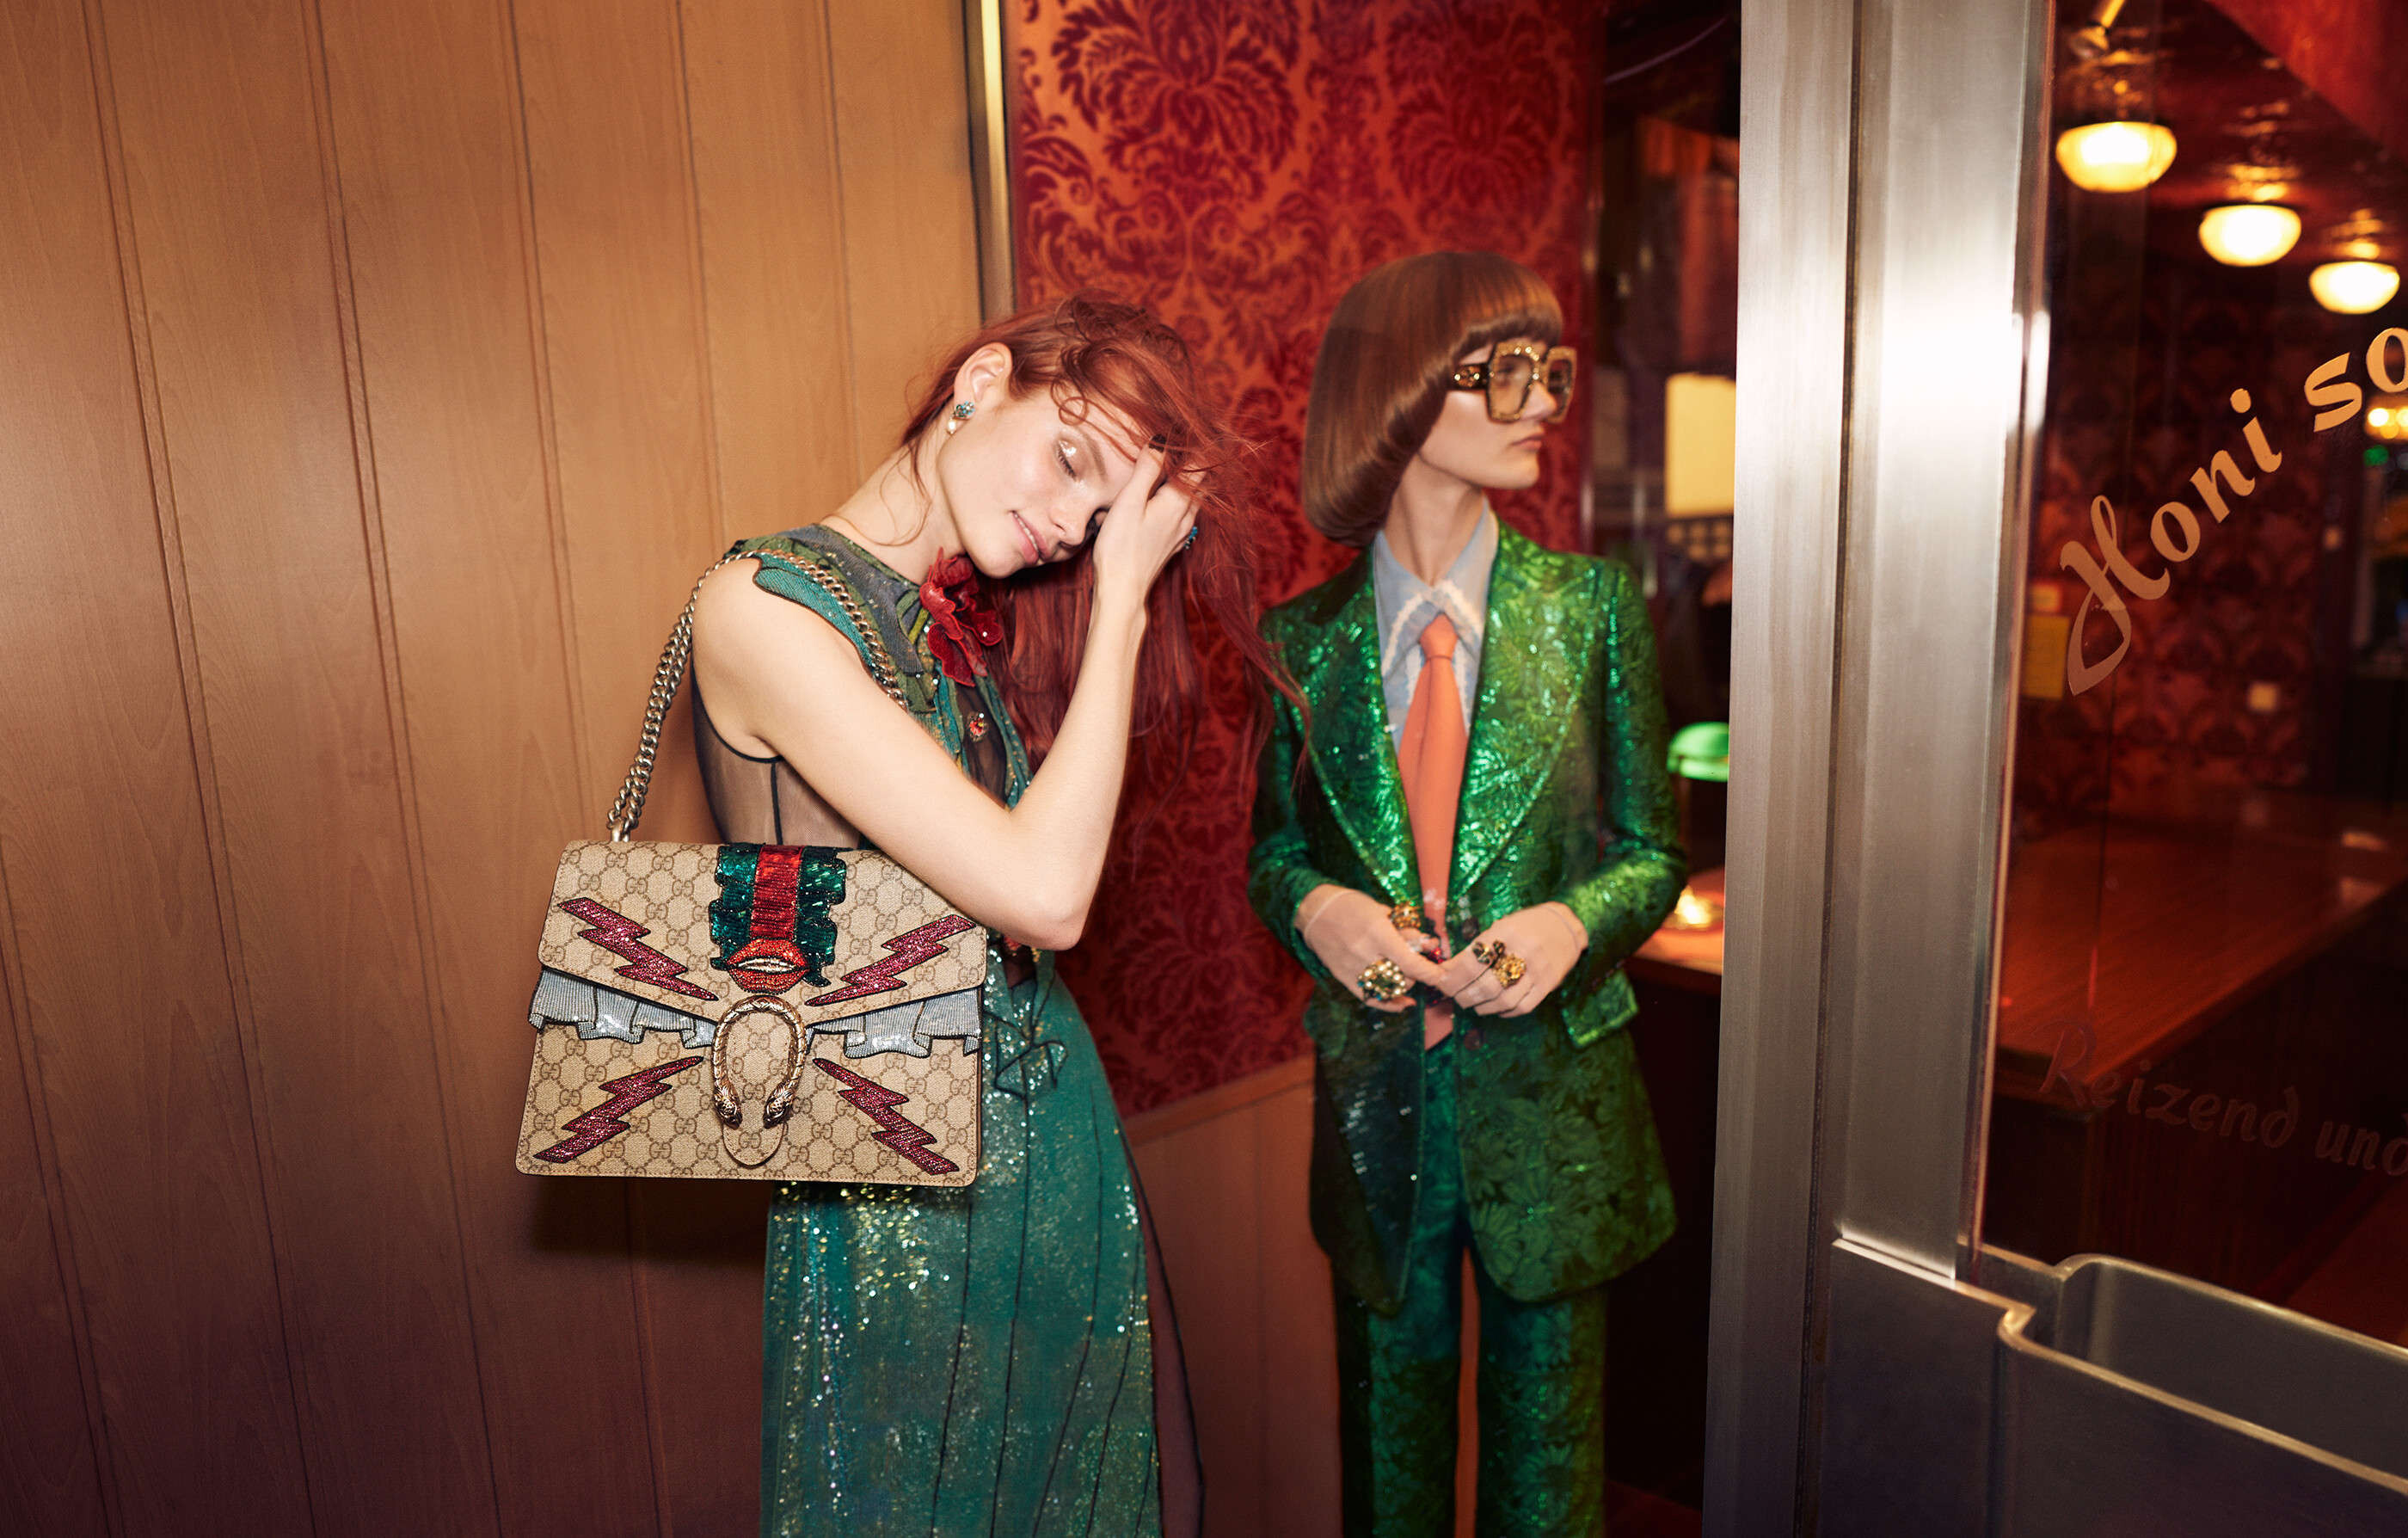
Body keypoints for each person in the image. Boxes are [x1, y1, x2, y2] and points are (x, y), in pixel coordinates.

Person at [691, 293, 1283, 1536]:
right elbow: (1046, 894)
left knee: (1100, 1494)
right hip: (895, 1178)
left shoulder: (952, 624)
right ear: (978, 384)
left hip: (1055, 1131)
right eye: (1070, 462)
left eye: (1105, 520)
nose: (1072, 528)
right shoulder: (763, 608)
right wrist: (1121, 602)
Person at [1246, 252, 1685, 1536]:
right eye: (1506, 372)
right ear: (1399, 389)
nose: (1543, 401)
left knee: (1550, 1489)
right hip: (1378, 1106)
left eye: (1553, 372)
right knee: (1387, 1477)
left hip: (1556, 1115)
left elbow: (1653, 851)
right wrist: (1318, 911)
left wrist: (1572, 923)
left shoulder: (1593, 610)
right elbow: (1274, 855)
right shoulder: (1300, 643)